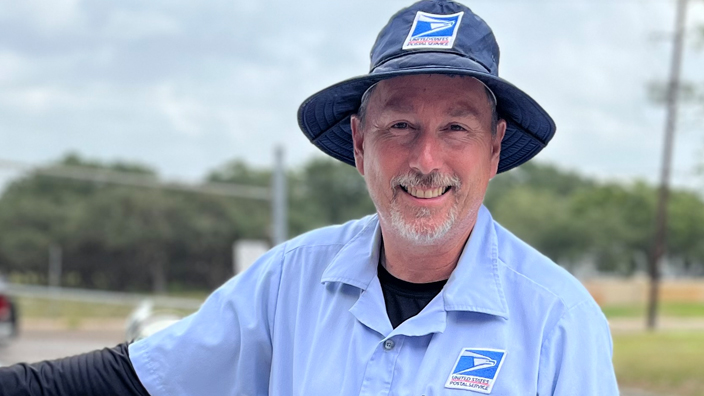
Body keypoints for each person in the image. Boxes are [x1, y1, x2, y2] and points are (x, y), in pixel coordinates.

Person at [0, 0, 619, 394]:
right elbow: (134, 379)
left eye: (455, 128)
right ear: (357, 142)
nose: (426, 161)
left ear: (493, 147)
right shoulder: (289, 282)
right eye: (399, 126)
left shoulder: (557, 320)